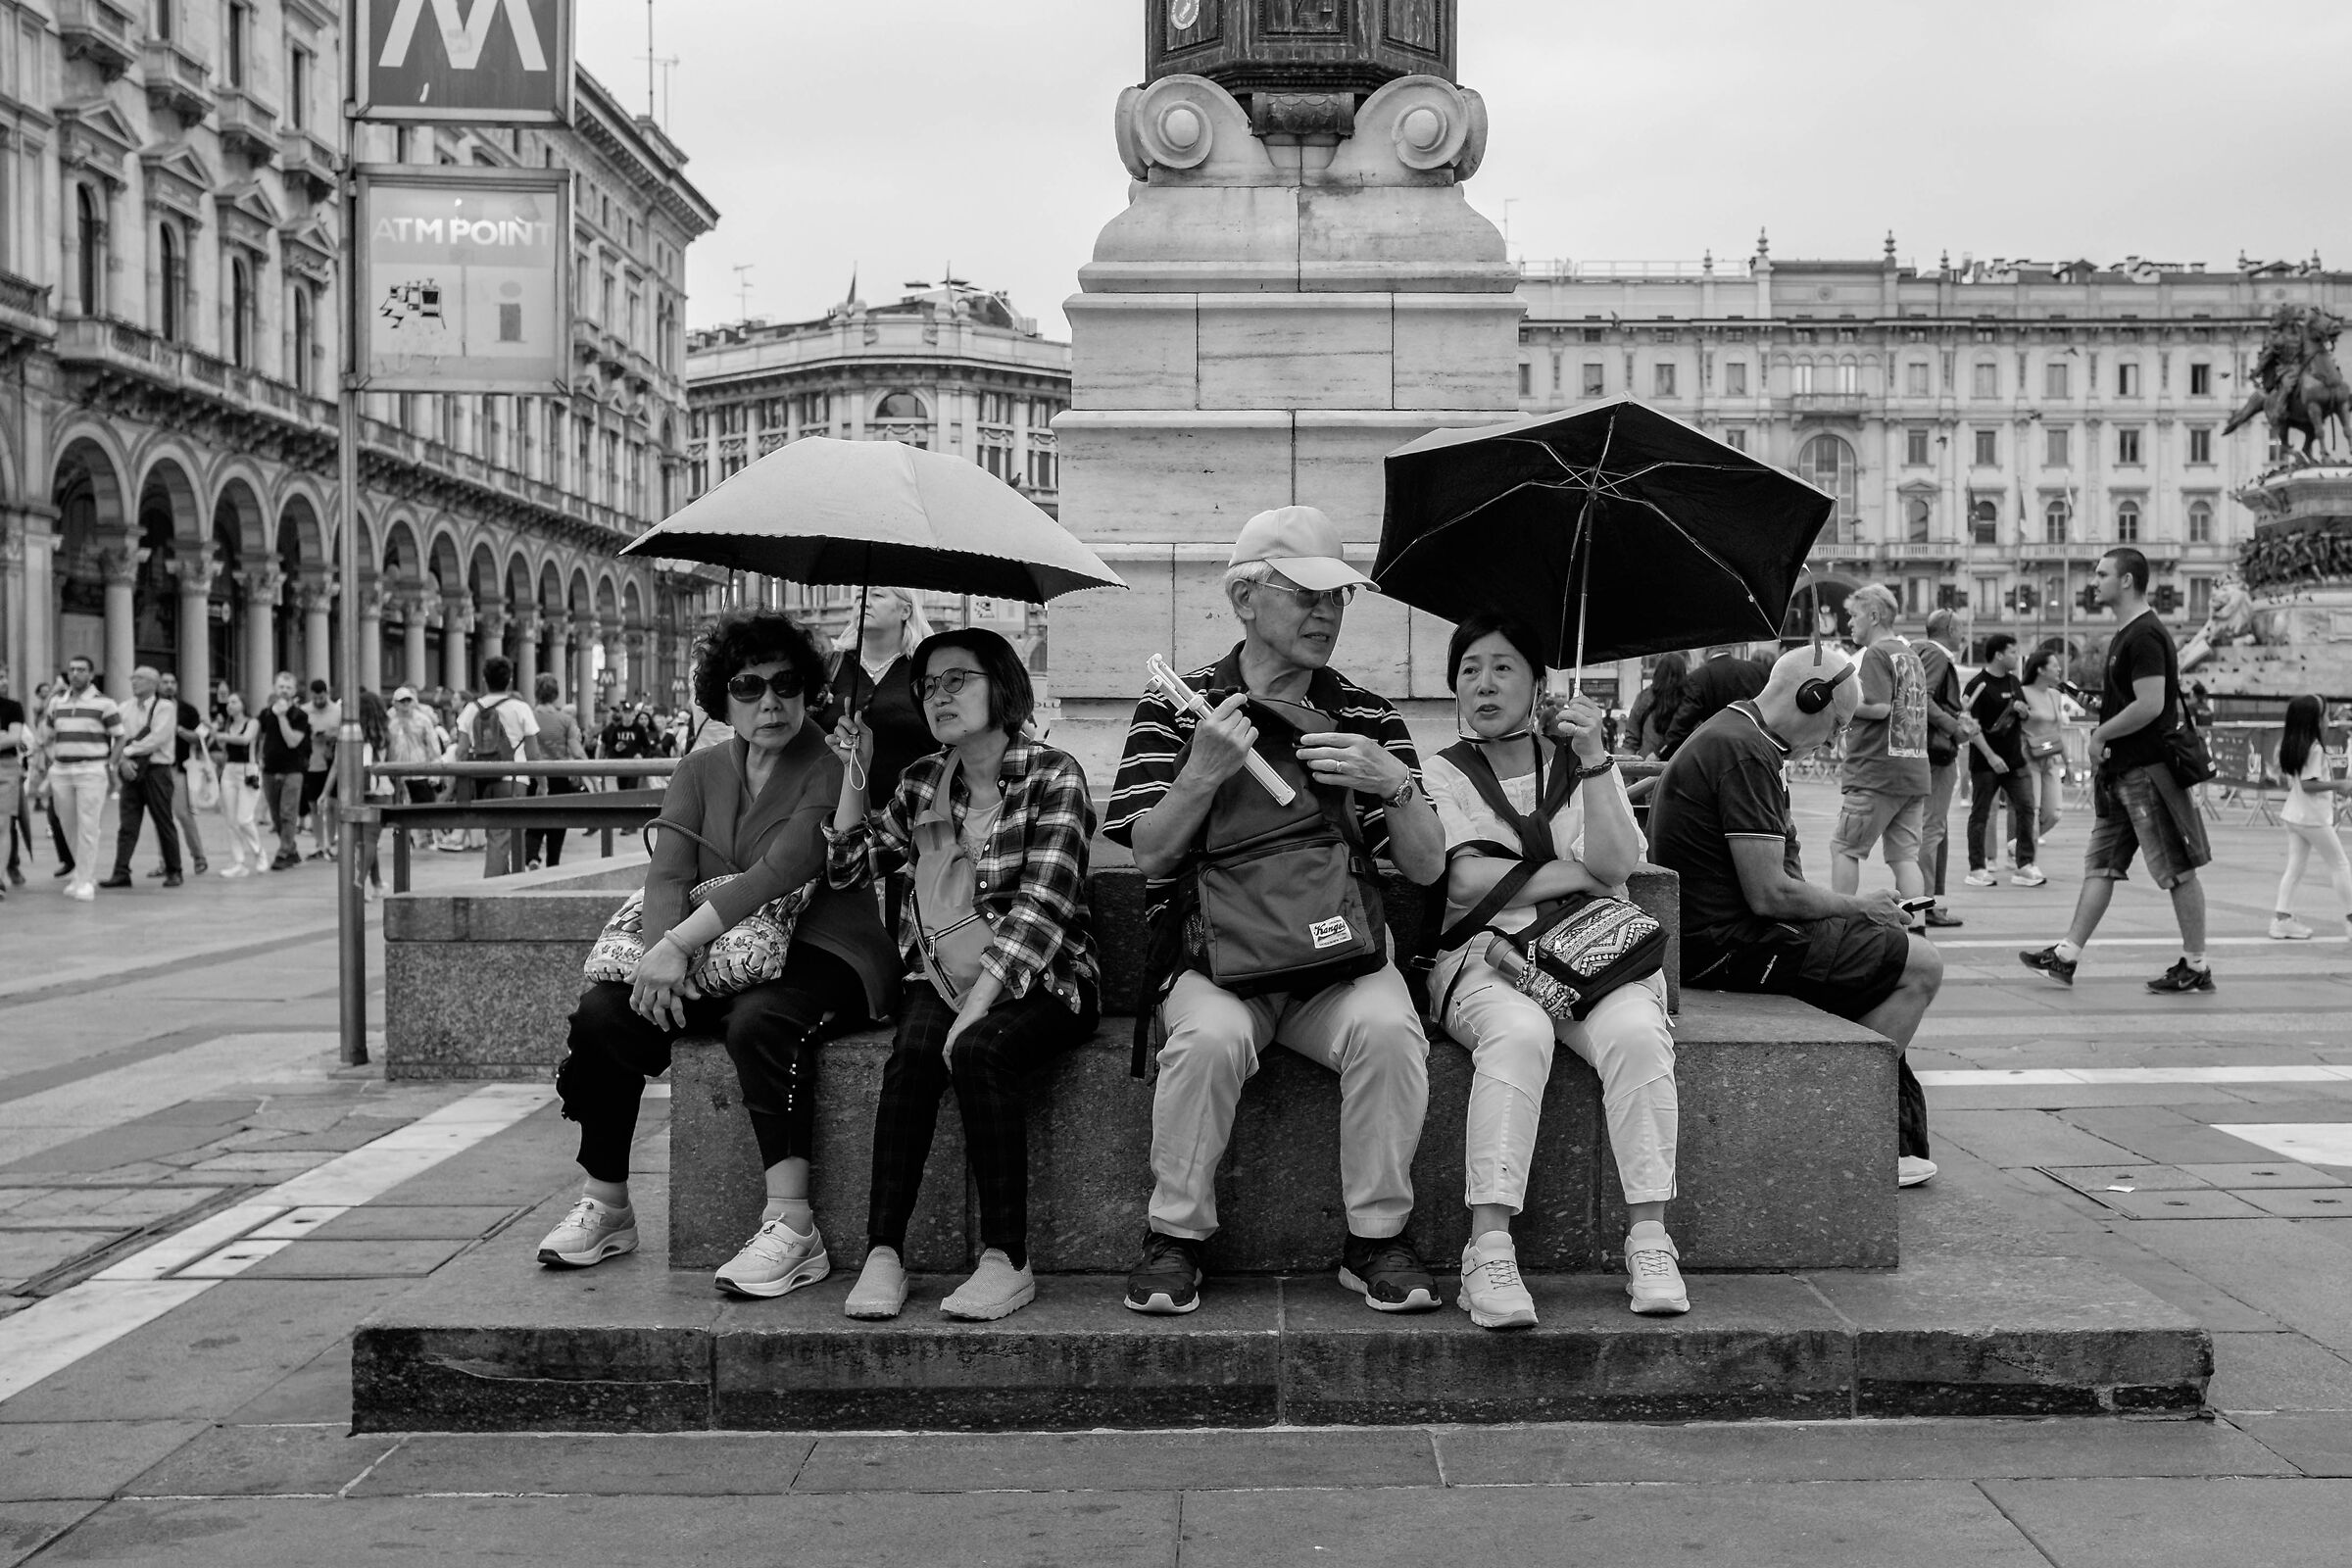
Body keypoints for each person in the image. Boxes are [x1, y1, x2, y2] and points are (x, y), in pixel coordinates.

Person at [1107, 505, 1449, 1316]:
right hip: (1214, 956)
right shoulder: (1179, 705)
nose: (1327, 614)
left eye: (1338, 597)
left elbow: (1428, 865)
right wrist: (1202, 770)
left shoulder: (1365, 714)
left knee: (1389, 1029)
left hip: (1337, 956)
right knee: (1209, 1039)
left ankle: (1377, 1240)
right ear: (1244, 599)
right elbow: (1150, 854)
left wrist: (1393, 783)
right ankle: (1174, 1236)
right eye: (1306, 595)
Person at [538, 609, 899, 1299]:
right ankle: (606, 1203)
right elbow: (668, 873)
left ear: (809, 690)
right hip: (713, 955)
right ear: (721, 697)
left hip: (826, 948)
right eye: (748, 686)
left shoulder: (834, 764)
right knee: (603, 1017)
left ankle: (792, 1225)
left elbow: (782, 870)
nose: (771, 702)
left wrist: (677, 944)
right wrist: (658, 962)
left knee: (761, 1021)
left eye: (787, 684)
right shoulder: (699, 768)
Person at [828, 627, 1102, 1323]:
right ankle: (883, 1251)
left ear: (1001, 685)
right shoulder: (924, 780)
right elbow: (849, 868)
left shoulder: (1054, 775)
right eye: (928, 686)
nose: (938, 696)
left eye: (957, 680)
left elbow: (1043, 909)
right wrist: (856, 770)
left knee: (978, 1050)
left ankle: (1007, 1258)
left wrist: (977, 1007)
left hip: (1048, 977)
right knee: (913, 1056)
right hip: (943, 974)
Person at [1424, 612, 1687, 1326]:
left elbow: (1618, 863)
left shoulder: (1580, 765)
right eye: (1469, 669)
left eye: (1503, 667)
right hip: (1487, 957)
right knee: (1518, 1033)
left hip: (1592, 953)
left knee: (1638, 1034)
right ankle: (1487, 1249)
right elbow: (1464, 881)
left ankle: (1650, 1239)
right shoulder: (1442, 771)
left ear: (1538, 683)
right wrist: (1578, 872)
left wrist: (1595, 757)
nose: (1484, 683)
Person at [1649, 643, 1944, 1188]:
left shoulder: (1737, 732)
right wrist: (1859, 906)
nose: (1832, 742)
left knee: (1879, 949)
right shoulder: (1746, 753)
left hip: (1717, 934)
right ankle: (1848, 1124)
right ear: (1811, 698)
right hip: (1727, 946)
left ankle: (1871, 1123)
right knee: (1921, 964)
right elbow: (1771, 895)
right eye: (1836, 725)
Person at [2021, 548, 2216, 994]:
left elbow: (2150, 705)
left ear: (2126, 580)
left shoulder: (2144, 635)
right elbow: (2135, 701)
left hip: (2147, 772)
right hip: (2123, 773)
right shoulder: (2128, 634)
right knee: (2101, 865)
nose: (2094, 580)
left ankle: (2197, 964)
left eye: (2102, 573)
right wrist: (2101, 709)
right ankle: (2065, 955)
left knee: (2177, 869)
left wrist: (2100, 735)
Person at [1830, 584, 1931, 919]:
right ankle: (1916, 928)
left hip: (1875, 772)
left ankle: (1841, 921)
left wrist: (1840, 703)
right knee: (1905, 858)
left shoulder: (1876, 654)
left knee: (1845, 848)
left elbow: (1878, 706)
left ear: (1873, 616)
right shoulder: (1910, 655)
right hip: (1912, 772)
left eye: (1854, 615)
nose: (1849, 623)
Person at [826, 587, 938, 806]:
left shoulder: (926, 669)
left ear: (906, 611)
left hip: (912, 811)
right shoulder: (831, 666)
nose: (864, 603)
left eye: (877, 595)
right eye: (859, 596)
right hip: (834, 810)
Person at [2269, 694, 2352, 941]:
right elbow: (2308, 785)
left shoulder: (2295, 745)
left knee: (2295, 867)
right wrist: (2340, 785)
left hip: (2296, 814)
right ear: (2313, 720)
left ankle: (2281, 919)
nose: (2328, 720)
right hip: (2311, 817)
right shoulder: (2314, 748)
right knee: (2340, 864)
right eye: (2324, 715)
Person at [1962, 634, 2041, 889]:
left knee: (2027, 807)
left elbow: (2025, 716)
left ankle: (2024, 864)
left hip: (2015, 760)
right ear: (1998, 655)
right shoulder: (1977, 685)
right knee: (1981, 813)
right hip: (1986, 762)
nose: (2016, 657)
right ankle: (1977, 868)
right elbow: (1970, 727)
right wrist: (1990, 756)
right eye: (2012, 652)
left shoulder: (2014, 681)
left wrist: (2024, 712)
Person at [447, 659, 538, 878]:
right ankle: (492, 890)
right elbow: (533, 753)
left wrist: (456, 785)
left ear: (484, 680)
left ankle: (507, 882)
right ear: (510, 680)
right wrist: (542, 782)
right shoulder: (520, 708)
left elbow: (461, 751)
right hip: (515, 780)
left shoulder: (471, 709)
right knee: (506, 836)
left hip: (483, 779)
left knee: (496, 835)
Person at [40, 658, 121, 902]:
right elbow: (47, 736)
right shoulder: (57, 702)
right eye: (72, 669)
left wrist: (110, 765)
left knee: (88, 825)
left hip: (91, 768)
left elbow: (120, 736)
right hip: (62, 769)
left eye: (81, 670)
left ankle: (84, 881)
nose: (75, 674)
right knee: (67, 825)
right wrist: (52, 761)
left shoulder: (105, 703)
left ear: (91, 675)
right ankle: (82, 873)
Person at [99, 666, 184, 891]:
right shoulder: (124, 707)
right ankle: (121, 872)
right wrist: (122, 761)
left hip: (157, 770)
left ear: (153, 684)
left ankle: (174, 870)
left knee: (163, 820)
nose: (134, 682)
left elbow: (157, 738)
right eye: (133, 678)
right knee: (127, 824)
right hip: (130, 769)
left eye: (140, 678)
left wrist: (126, 753)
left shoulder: (164, 707)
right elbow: (116, 736)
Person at [1910, 611, 1970, 928]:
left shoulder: (1918, 651)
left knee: (1932, 827)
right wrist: (1953, 726)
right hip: (1938, 751)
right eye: (1960, 628)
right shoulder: (1935, 654)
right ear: (1950, 628)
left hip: (1923, 751)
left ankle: (1928, 900)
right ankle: (1924, 905)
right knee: (1931, 828)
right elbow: (1924, 698)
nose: (1963, 634)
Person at [1655, 643, 1770, 760]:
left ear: (1707, 649)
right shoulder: (1759, 671)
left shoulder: (1699, 678)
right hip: (1757, 752)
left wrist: (1660, 752)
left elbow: (1682, 723)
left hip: (1719, 755)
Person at [525, 673, 588, 870]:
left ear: (536, 692)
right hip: (560, 775)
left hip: (534, 774)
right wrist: (593, 774)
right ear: (556, 694)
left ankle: (532, 856)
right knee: (558, 821)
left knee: (534, 818)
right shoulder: (565, 720)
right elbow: (577, 751)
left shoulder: (529, 717)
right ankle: (553, 863)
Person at [2018, 651, 2078, 843]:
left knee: (2054, 812)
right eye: (2054, 665)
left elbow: (2058, 731)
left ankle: (2020, 843)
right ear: (2040, 669)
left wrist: (2068, 762)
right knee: (2032, 809)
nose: (2059, 669)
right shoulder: (2022, 692)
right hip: (2028, 758)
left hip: (2050, 757)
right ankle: (2027, 853)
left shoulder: (2055, 695)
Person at [154, 673, 210, 877]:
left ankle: (199, 857)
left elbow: (201, 738)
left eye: (172, 682)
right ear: (158, 685)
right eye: (165, 682)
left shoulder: (187, 710)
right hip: (156, 769)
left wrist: (180, 731)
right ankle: (165, 863)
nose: (169, 686)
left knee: (183, 814)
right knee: (161, 817)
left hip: (178, 768)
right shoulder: (152, 707)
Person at [258, 671, 312, 871]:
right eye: (281, 686)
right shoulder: (265, 713)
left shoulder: (300, 715)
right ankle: (291, 850)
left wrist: (281, 717)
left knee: (288, 813)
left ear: (294, 690)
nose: (284, 691)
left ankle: (283, 853)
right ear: (274, 688)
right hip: (269, 770)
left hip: (293, 770)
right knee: (276, 816)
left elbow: (292, 741)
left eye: (288, 687)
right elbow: (261, 738)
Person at [212, 690, 266, 877]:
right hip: (229, 770)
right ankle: (238, 861)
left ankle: (259, 853)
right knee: (231, 820)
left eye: (234, 702)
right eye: (228, 702)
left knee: (244, 818)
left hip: (248, 770)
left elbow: (245, 739)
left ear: (243, 704)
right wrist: (215, 732)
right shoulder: (227, 724)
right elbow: (222, 747)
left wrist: (223, 736)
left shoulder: (252, 722)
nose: (230, 705)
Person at [302, 680, 341, 860]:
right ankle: (319, 843)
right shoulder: (304, 711)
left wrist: (330, 736)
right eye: (315, 698)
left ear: (327, 694)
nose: (318, 701)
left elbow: (344, 734)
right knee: (314, 805)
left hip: (333, 762)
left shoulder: (337, 711)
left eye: (322, 697)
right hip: (312, 763)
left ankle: (332, 842)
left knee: (333, 804)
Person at [1625, 654, 1687, 760]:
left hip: (1648, 765)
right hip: (1681, 765)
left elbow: (1631, 739)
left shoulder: (1644, 698)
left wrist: (1628, 767)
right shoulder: (1689, 700)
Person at [0, 675, 26, 892]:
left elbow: (14, 738)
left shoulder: (12, 707)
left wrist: (7, 736)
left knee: (3, 824)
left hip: (6, 767)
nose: (3, 681)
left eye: (4, 676)